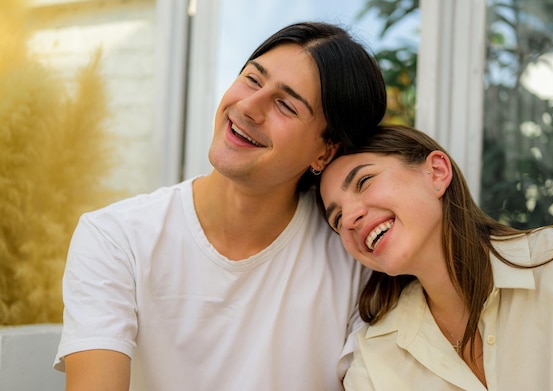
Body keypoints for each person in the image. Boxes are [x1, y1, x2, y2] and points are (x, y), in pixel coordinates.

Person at [54, 22, 387, 391]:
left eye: (285, 105)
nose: (248, 107)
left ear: (325, 151)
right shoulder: (115, 238)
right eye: (252, 79)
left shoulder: (354, 260)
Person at [318, 124, 553, 391]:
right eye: (337, 219)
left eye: (364, 181)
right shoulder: (373, 358)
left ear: (437, 172)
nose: (349, 220)